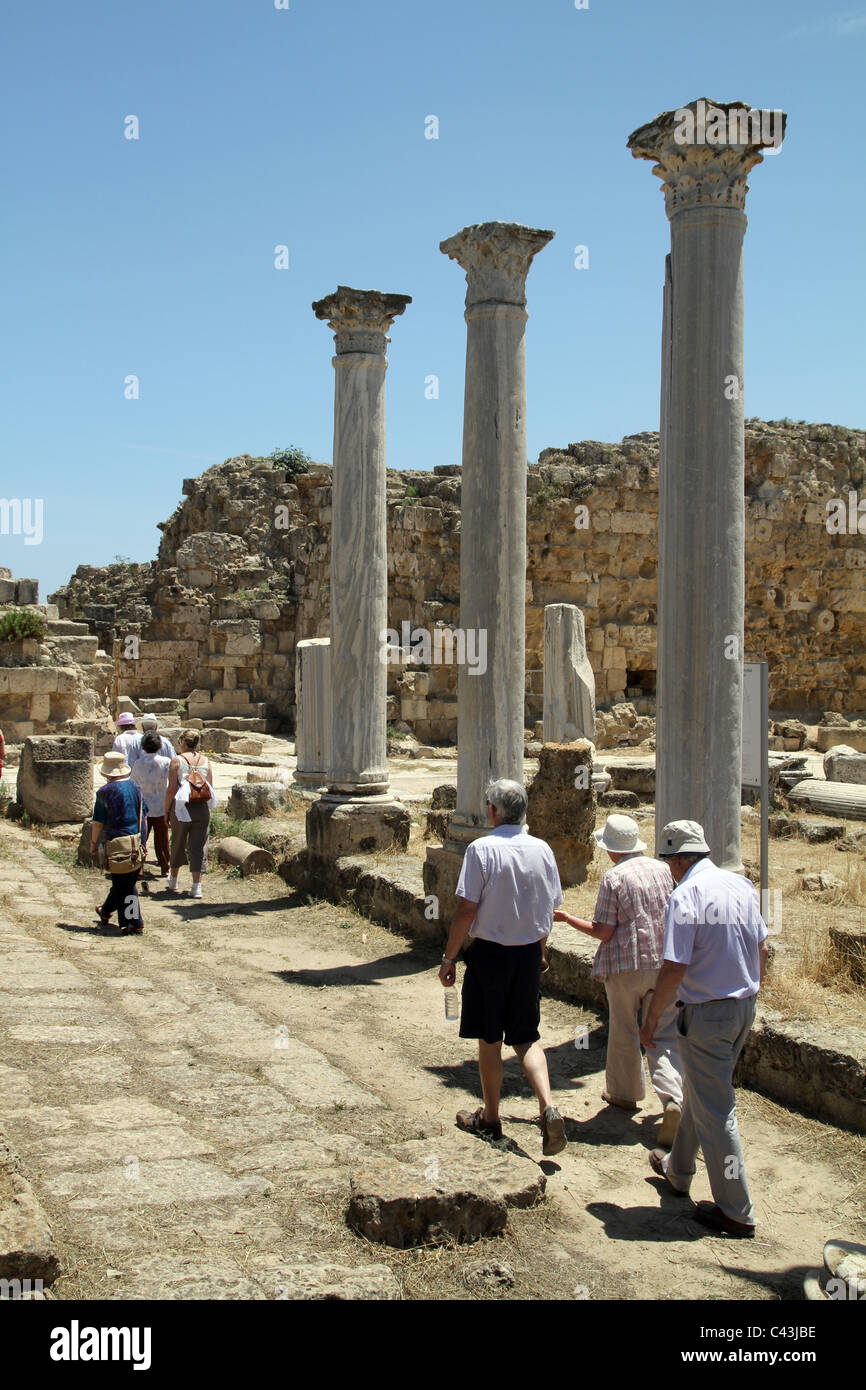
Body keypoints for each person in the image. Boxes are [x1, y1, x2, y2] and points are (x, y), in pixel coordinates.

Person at [640, 820, 769, 1238]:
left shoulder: (685, 896)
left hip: (707, 1013)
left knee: (717, 1111)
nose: (669, 870)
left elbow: (675, 966)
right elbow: (761, 946)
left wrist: (652, 1018)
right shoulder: (743, 886)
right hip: (742, 1006)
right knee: (701, 1091)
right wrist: (750, 992)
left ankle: (737, 1210)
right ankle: (678, 1171)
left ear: (678, 859)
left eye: (668, 862)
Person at [438, 778, 567, 1157]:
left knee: (490, 1038)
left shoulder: (481, 849)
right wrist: (541, 952)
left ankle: (491, 1117)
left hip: (491, 956)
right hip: (528, 954)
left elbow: (466, 909)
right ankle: (547, 1106)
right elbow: (548, 910)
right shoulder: (542, 849)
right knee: (526, 1036)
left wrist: (449, 957)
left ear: (493, 811)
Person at [553, 813, 684, 1147]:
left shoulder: (614, 878)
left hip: (626, 966)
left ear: (611, 849)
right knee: (663, 1032)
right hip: (665, 963)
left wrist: (568, 919)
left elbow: (603, 931)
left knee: (625, 1029)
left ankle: (625, 1095)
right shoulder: (663, 870)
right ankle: (672, 1099)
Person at [90, 751, 146, 934]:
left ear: (107, 772)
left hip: (117, 844)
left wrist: (93, 842)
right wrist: (143, 841)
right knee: (123, 882)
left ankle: (133, 922)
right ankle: (105, 911)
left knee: (126, 886)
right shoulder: (136, 788)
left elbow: (98, 821)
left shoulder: (105, 792)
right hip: (136, 841)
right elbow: (143, 815)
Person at [165, 729, 215, 899]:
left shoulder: (177, 761)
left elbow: (171, 789)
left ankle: (173, 880)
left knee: (177, 842)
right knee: (199, 846)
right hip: (201, 806)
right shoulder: (206, 761)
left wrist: (166, 811)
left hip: (181, 807)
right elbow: (210, 785)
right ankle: (196, 886)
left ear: (183, 743)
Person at [131, 730, 172, 876]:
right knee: (162, 839)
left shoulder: (137, 764)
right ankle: (165, 866)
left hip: (144, 807)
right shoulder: (166, 762)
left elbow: (134, 784)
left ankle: (139, 866)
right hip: (161, 805)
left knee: (141, 838)